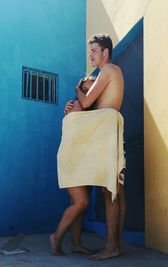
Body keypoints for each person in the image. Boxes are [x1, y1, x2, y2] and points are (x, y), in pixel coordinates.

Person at [75, 34, 125, 261]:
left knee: (109, 191)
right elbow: (92, 105)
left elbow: (85, 102)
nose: (91, 55)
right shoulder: (106, 74)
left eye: (94, 50)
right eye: (90, 51)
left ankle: (111, 247)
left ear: (106, 52)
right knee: (116, 191)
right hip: (108, 132)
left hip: (108, 134)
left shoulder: (108, 70)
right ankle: (116, 246)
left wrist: (78, 89)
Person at [50, 77, 96, 256]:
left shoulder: (93, 108)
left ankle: (76, 244)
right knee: (81, 202)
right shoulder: (77, 104)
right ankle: (57, 237)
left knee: (78, 204)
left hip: (86, 159)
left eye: (90, 88)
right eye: (83, 89)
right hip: (73, 158)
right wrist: (78, 90)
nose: (86, 92)